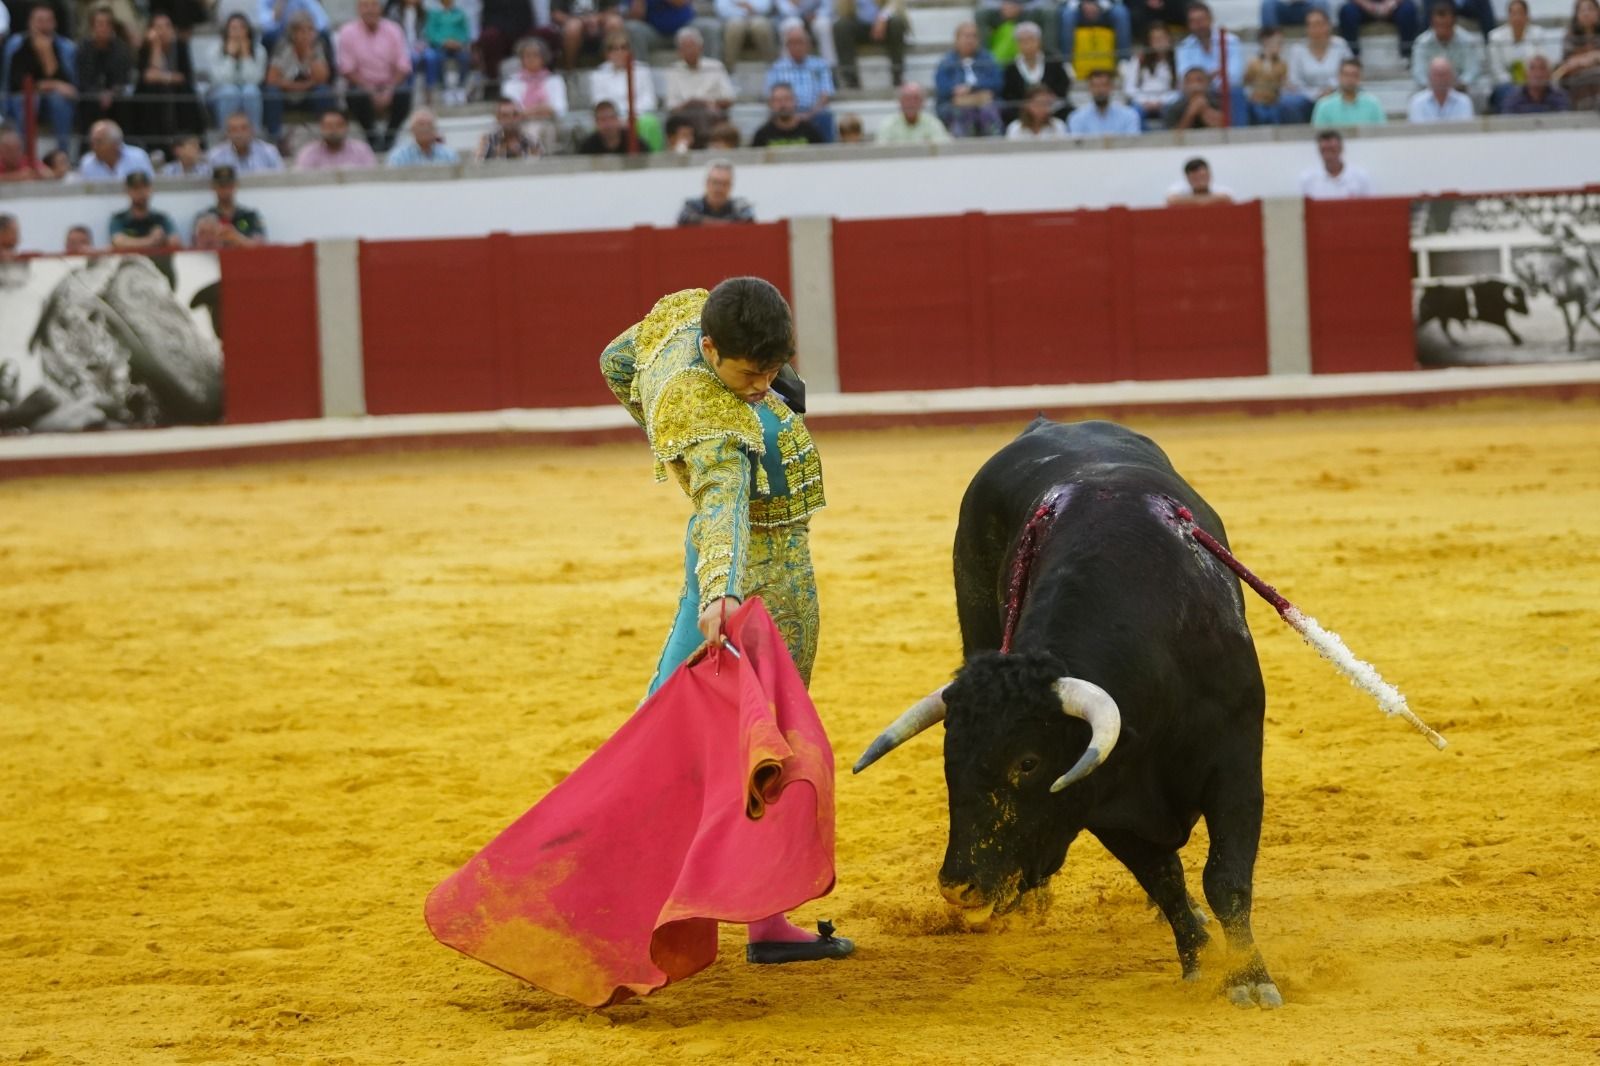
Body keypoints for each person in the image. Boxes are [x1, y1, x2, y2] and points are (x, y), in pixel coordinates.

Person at [597, 279, 850, 965]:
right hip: (757, 584)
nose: (763, 383)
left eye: (773, 368)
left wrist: (661, 427)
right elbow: (721, 509)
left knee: (695, 729)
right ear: (711, 349)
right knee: (756, 744)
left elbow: (616, 360)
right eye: (750, 372)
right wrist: (721, 593)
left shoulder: (687, 324)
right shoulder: (714, 424)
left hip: (736, 577)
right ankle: (630, 904)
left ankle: (757, 916)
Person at [340, 0, 413, 152]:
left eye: (373, 5)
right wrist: (370, 91)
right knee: (355, 95)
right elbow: (347, 69)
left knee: (404, 93)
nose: (369, 10)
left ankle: (389, 137)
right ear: (358, 9)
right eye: (365, 6)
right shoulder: (347, 32)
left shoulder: (394, 29)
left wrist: (389, 90)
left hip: (390, 83)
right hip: (362, 86)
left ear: (380, 9)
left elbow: (403, 65)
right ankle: (372, 138)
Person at [7, 6, 78, 148]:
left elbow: (70, 87)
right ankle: (25, 152)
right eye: (39, 21)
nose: (44, 26)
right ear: (30, 23)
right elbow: (16, 83)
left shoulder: (66, 47)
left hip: (53, 100)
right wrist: (50, 85)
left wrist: (47, 54)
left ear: (55, 23)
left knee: (59, 101)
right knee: (30, 100)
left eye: (48, 21)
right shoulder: (18, 45)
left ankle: (62, 153)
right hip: (25, 99)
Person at [131, 12, 202, 154]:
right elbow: (146, 77)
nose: (162, 31)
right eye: (158, 27)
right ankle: (154, 146)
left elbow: (182, 77)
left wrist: (162, 77)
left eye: (167, 26)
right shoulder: (146, 49)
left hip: (178, 91)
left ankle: (186, 142)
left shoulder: (181, 47)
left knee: (183, 93)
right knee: (151, 92)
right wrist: (156, 46)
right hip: (152, 94)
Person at [263, 12, 337, 139]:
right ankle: (274, 137)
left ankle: (326, 135)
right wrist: (303, 85)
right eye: (302, 31)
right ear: (293, 34)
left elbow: (322, 79)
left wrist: (310, 55)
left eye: (311, 30)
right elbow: (271, 80)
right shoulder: (283, 47)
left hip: (308, 96)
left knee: (323, 91)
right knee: (271, 93)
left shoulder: (318, 46)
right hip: (285, 96)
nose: (307, 35)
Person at [765, 19, 835, 140]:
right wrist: (791, 115)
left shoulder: (820, 65)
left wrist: (809, 114)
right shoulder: (777, 67)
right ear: (786, 46)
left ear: (808, 45)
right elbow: (769, 96)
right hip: (784, 114)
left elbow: (826, 95)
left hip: (814, 113)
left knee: (825, 116)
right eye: (792, 43)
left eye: (800, 42)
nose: (797, 47)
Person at [591, 33, 662, 148]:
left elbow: (649, 100)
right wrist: (617, 119)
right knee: (597, 127)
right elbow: (599, 102)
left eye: (623, 48)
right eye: (614, 48)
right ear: (607, 53)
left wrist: (631, 117)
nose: (619, 52)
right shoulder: (598, 75)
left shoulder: (642, 71)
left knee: (650, 122)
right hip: (611, 119)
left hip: (638, 116)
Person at [934, 20, 1004, 137]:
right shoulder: (946, 62)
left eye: (974, 36)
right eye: (966, 36)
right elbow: (942, 87)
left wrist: (971, 88)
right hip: (956, 104)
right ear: (956, 40)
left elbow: (997, 82)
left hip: (984, 103)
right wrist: (957, 91)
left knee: (989, 111)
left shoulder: (988, 59)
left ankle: (995, 147)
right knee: (963, 113)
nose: (970, 40)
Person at [75, 6, 134, 142]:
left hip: (115, 96)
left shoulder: (122, 49)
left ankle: (124, 144)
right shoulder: (84, 49)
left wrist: (111, 93)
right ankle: (87, 146)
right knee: (90, 104)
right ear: (92, 27)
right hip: (90, 96)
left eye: (107, 24)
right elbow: (83, 79)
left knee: (125, 104)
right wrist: (98, 94)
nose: (103, 28)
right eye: (99, 24)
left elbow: (123, 79)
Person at [666, 25, 735, 138]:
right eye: (685, 48)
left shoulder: (716, 67)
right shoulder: (673, 70)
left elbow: (729, 98)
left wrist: (708, 104)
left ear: (700, 48)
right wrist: (691, 104)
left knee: (706, 115)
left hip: (711, 112)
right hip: (684, 115)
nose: (689, 52)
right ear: (679, 52)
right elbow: (671, 106)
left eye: (692, 47)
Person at [501, 38, 567, 153]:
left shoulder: (554, 80)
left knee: (540, 131)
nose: (531, 59)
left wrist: (526, 112)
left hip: (549, 123)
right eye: (527, 55)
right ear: (521, 59)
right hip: (519, 125)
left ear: (544, 58)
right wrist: (539, 109)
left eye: (535, 55)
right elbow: (510, 111)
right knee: (529, 131)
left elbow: (559, 108)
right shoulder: (512, 82)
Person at [1001, 21, 1072, 124]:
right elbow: (1008, 94)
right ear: (1017, 44)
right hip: (1021, 114)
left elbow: (1063, 83)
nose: (1027, 44)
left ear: (1039, 41)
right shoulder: (1010, 68)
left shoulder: (1052, 61)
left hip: (1053, 110)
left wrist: (1048, 99)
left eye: (1031, 40)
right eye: (1022, 41)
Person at [206, 13, 267, 130]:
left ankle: (254, 134)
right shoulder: (214, 49)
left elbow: (255, 80)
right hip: (219, 92)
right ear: (227, 30)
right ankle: (226, 134)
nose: (238, 32)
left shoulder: (259, 51)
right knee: (230, 92)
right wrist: (230, 56)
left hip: (247, 90)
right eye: (234, 28)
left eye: (242, 27)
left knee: (251, 91)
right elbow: (220, 80)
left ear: (248, 30)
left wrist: (246, 57)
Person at [1487, 0, 1550, 110]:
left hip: (1533, 83)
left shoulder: (1538, 33)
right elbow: (1496, 69)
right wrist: (1515, 85)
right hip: (1506, 84)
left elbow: (1541, 62)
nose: (1517, 17)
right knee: (1508, 93)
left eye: (1520, 13)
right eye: (1513, 13)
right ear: (1508, 16)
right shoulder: (1495, 37)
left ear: (1527, 16)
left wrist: (1528, 83)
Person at [832, 0, 909, 90]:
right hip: (859, 27)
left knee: (897, 23)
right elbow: (842, 12)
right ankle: (851, 79)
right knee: (840, 26)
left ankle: (897, 75)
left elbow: (896, 3)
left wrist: (883, 18)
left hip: (886, 24)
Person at [1244, 27, 1310, 123]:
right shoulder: (1253, 63)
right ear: (1266, 41)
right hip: (1257, 103)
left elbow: (1285, 82)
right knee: (1259, 113)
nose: (1280, 46)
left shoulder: (1282, 64)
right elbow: (1247, 82)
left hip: (1275, 103)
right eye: (1278, 43)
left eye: (1281, 43)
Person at [1411, 2, 1482, 90]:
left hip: (1460, 88)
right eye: (1438, 25)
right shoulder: (1421, 42)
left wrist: (1460, 84)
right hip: (1431, 89)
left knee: (1477, 93)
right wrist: (1433, 87)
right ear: (1432, 23)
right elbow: (1419, 73)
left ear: (1453, 23)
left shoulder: (1467, 41)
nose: (1442, 29)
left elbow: (1472, 70)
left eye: (1446, 25)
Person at [1287, 8, 1353, 103]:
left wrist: (1331, 89)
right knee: (1290, 100)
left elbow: (1350, 71)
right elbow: (1295, 81)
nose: (1316, 29)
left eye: (1319, 24)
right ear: (1307, 29)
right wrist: (1315, 94)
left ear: (1328, 26)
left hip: (1337, 94)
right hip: (1306, 98)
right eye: (1312, 25)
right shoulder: (1297, 50)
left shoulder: (1340, 45)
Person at [624, 0, 723, 61]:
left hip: (684, 28)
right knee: (632, 28)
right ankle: (640, 78)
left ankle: (713, 74)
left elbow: (680, 2)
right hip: (654, 32)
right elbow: (636, 16)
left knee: (710, 28)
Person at [1118, 23, 1175, 127]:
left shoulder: (1177, 61)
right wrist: (1145, 102)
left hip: (1167, 103)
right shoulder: (1138, 61)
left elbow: (1180, 90)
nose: (1159, 43)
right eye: (1155, 39)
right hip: (1142, 103)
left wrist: (1161, 102)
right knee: (1133, 113)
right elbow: (1129, 88)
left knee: (1173, 110)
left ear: (1169, 39)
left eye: (1162, 38)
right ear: (1149, 42)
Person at [194, 165, 266, 245]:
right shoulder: (204, 218)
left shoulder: (249, 216)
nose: (226, 190)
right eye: (222, 186)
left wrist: (237, 238)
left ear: (236, 185)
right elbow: (195, 247)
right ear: (213, 186)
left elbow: (261, 245)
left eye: (229, 185)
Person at [109, 170, 180, 249]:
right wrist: (151, 240)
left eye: (144, 187)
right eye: (136, 188)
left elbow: (175, 242)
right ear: (127, 191)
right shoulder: (119, 219)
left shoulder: (161, 218)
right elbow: (118, 242)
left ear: (151, 189)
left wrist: (163, 238)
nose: (141, 192)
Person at [1060, 0, 1130, 76]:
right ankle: (1066, 61)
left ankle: (1123, 59)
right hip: (1078, 10)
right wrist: (1081, 5)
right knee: (1067, 15)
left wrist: (1098, 5)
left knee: (1121, 13)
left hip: (1104, 9)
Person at [422, 0, 473, 104]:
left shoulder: (460, 13)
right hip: (440, 47)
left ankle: (460, 88)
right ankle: (444, 89)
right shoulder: (433, 13)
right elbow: (430, 33)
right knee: (437, 59)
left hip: (457, 47)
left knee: (465, 58)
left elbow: (466, 32)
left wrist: (459, 42)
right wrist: (443, 42)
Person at [1311, 56, 1388, 123]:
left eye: (1354, 75)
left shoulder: (1373, 104)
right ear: (1339, 76)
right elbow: (1318, 136)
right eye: (1346, 75)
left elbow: (1382, 134)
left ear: (1360, 78)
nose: (1350, 79)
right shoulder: (1324, 105)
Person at [1298, 129, 1372, 197]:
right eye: (1324, 150)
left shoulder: (1360, 177)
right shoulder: (1308, 179)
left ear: (1341, 148)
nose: (1329, 154)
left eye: (1332, 149)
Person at [1065, 65, 1140, 133]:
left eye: (1104, 85)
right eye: (1096, 86)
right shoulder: (1077, 118)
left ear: (1111, 87)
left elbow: (1132, 145)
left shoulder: (1129, 116)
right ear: (1089, 88)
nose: (1100, 90)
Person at [294, 108, 379, 167]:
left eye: (339, 125)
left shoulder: (362, 150)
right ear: (321, 128)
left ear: (347, 127)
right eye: (328, 126)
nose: (333, 130)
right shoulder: (309, 152)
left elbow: (373, 177)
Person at [1555, 0, 1600, 110]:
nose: (1586, 13)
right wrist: (1593, 57)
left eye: (1590, 9)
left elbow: (1576, 61)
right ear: (1576, 15)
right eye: (1582, 10)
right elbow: (1567, 65)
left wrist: (1581, 60)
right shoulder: (1570, 37)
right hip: (1577, 80)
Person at [677, 159, 754, 223]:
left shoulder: (740, 206)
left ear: (730, 186)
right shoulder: (692, 205)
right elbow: (684, 219)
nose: (719, 189)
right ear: (706, 183)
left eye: (724, 184)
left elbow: (748, 220)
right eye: (715, 182)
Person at [75, 118, 154, 180]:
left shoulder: (138, 157)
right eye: (92, 142)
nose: (94, 146)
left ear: (115, 144)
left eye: (99, 142)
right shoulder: (87, 163)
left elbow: (150, 187)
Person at [875, 80, 952, 143]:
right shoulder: (888, 125)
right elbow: (880, 151)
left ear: (923, 102)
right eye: (907, 99)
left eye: (916, 98)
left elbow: (944, 148)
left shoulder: (933, 123)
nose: (911, 103)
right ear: (900, 102)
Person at [979, 0, 1059, 59]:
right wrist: (1003, 6)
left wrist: (1019, 7)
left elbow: (1046, 2)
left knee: (1049, 12)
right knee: (980, 13)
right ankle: (983, 58)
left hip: (1028, 10)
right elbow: (985, 2)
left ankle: (1050, 55)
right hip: (1001, 11)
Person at [751, 82, 826, 145]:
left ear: (795, 101)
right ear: (771, 104)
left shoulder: (811, 132)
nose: (783, 104)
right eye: (778, 100)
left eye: (787, 99)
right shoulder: (762, 134)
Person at [208, 112, 284, 172]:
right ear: (227, 134)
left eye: (244, 128)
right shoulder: (215, 156)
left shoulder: (269, 152)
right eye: (234, 130)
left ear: (252, 130)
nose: (239, 134)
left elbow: (282, 179)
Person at [386, 106, 461, 163]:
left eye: (429, 124)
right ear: (412, 129)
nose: (425, 128)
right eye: (420, 124)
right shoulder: (399, 156)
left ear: (435, 129)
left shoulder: (449, 155)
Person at [1408, 54, 1475, 118]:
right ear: (1429, 77)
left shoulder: (1464, 102)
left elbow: (1466, 128)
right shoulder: (1417, 102)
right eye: (1437, 75)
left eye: (1444, 74)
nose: (1441, 79)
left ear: (1452, 77)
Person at [1502, 51, 1569, 110]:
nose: (1538, 74)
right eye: (1532, 68)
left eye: (1542, 68)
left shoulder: (1560, 97)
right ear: (1525, 74)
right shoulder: (1513, 98)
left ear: (1550, 74)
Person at [777, 0, 837, 67]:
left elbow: (827, 7)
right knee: (792, 24)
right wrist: (798, 8)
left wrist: (816, 14)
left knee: (823, 24)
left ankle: (830, 66)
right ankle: (785, 67)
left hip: (816, 17)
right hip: (792, 17)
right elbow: (784, 10)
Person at [257, 0, 332, 51]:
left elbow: (322, 20)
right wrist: (280, 5)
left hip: (301, 30)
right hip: (281, 33)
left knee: (324, 35)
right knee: (269, 37)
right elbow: (265, 24)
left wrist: (309, 31)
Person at [1165, 155, 1233, 204]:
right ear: (1187, 178)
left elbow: (1227, 198)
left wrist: (1191, 200)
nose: (1200, 181)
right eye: (1195, 178)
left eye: (1203, 176)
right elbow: (1171, 200)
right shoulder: (1179, 188)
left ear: (1209, 175)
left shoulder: (1221, 189)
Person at [1261, 0, 1329, 30]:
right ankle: (1271, 41)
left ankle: (1320, 35)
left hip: (1306, 7)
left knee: (1321, 1)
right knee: (1268, 4)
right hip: (1284, 7)